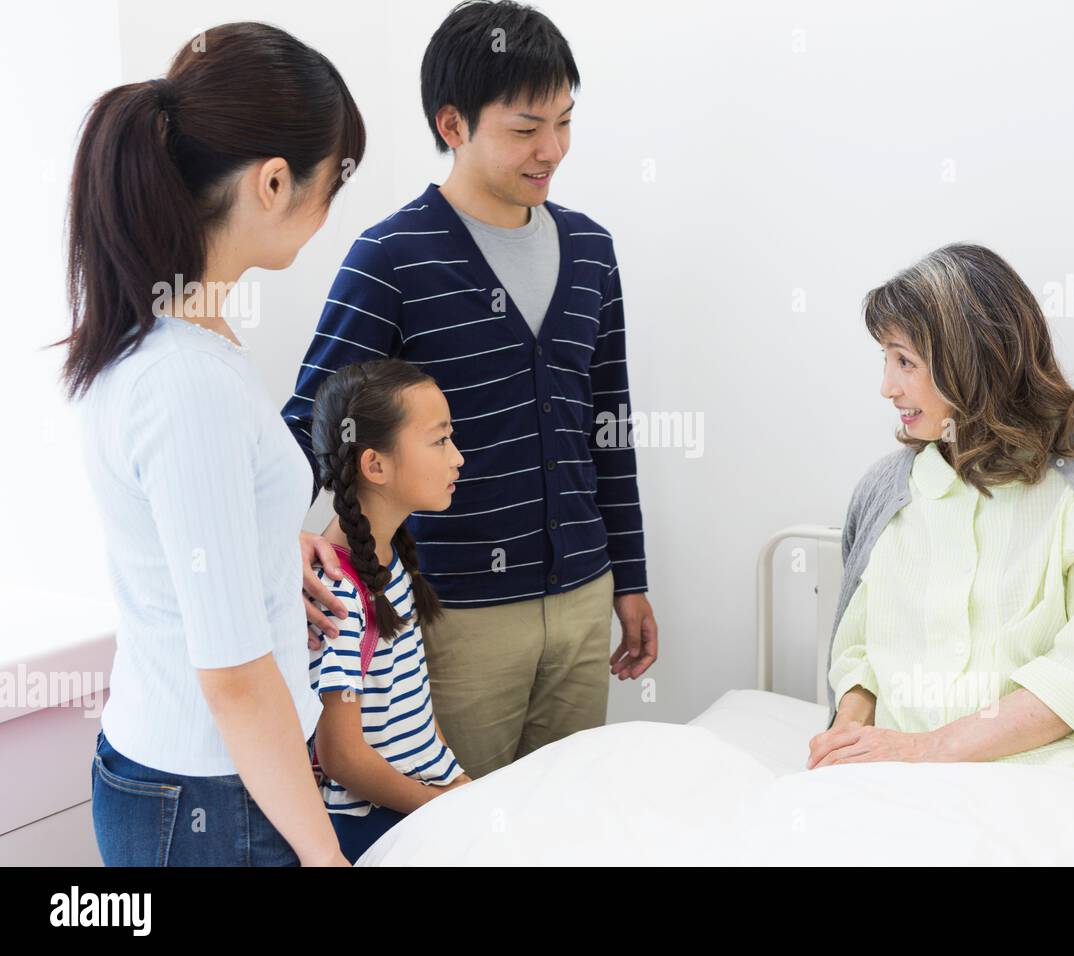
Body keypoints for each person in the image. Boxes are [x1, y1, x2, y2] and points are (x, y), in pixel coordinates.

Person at [283, 0, 659, 780]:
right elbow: (311, 423)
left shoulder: (592, 249)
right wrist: (276, 538)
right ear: (452, 125)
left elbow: (609, 426)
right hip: (451, 618)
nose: (551, 149)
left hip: (585, 599)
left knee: (569, 824)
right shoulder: (391, 256)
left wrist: (632, 580)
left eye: (564, 121)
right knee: (454, 838)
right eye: (526, 129)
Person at [59, 21, 366, 865]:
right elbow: (231, 679)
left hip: (213, 778)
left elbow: (191, 553)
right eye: (330, 183)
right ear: (273, 182)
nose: (329, 210)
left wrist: (269, 560)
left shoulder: (183, 337)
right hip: (209, 792)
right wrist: (326, 856)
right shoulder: (183, 379)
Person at [806, 243, 1074, 823]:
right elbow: (860, 654)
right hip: (892, 785)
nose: (887, 388)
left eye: (904, 361)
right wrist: (849, 741)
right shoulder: (888, 492)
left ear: (971, 359)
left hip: (1057, 786)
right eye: (885, 360)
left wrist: (923, 751)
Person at [306, 360, 472, 863]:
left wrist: (455, 778)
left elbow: (415, 703)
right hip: (376, 826)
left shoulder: (391, 556)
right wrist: (435, 806)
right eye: (440, 441)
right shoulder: (337, 591)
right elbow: (340, 754)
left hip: (421, 801)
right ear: (375, 465)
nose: (458, 458)